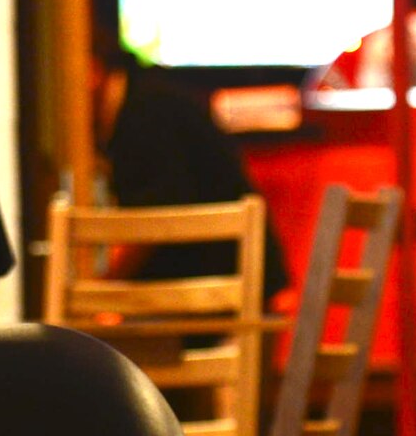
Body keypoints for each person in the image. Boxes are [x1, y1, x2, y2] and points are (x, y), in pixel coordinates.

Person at [94, 49, 290, 298]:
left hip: (219, 294)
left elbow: (153, 218)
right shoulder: (145, 93)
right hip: (235, 286)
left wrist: (101, 289)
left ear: (92, 68)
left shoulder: (144, 110)